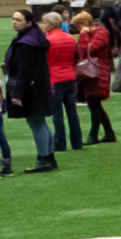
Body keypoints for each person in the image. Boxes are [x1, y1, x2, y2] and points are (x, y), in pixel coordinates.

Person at [8, 8, 59, 173]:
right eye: (13, 19)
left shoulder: (26, 43)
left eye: (18, 20)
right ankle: (49, 158)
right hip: (39, 85)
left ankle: (43, 160)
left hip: (31, 88)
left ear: (28, 23)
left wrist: (18, 93)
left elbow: (25, 71)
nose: (14, 22)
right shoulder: (35, 38)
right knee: (41, 123)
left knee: (36, 122)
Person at [75, 8, 117, 144]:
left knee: (94, 104)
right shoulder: (95, 33)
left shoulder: (100, 33)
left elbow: (89, 49)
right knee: (94, 104)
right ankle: (108, 133)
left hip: (97, 72)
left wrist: (83, 35)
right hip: (91, 72)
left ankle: (94, 135)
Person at [46, 9, 83, 150]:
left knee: (57, 113)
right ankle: (77, 142)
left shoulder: (48, 40)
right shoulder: (70, 38)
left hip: (55, 77)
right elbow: (76, 56)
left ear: (51, 24)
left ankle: (60, 144)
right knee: (72, 112)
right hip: (70, 76)